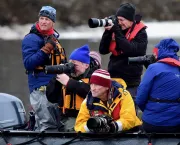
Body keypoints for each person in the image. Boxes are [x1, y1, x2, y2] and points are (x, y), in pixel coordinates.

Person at [21, 6, 67, 131]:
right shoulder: (31, 39)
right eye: (41, 18)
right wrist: (46, 49)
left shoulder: (53, 39)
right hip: (40, 88)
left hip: (55, 87)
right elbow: (28, 64)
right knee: (47, 124)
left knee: (57, 123)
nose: (43, 22)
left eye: (47, 19)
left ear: (53, 22)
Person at [46, 45, 102, 132]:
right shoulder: (66, 75)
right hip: (69, 117)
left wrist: (69, 83)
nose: (71, 67)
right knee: (70, 127)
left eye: (75, 65)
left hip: (90, 115)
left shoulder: (94, 76)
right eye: (70, 63)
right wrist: (57, 79)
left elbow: (93, 94)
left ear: (86, 65)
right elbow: (51, 97)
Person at [99, 2, 148, 98]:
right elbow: (103, 50)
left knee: (129, 110)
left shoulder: (141, 33)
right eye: (118, 20)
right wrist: (107, 32)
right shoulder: (117, 28)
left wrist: (116, 31)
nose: (120, 22)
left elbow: (130, 50)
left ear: (131, 20)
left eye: (122, 20)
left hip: (131, 82)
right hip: (113, 79)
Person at [75, 69, 142, 133]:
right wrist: (92, 126)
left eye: (97, 85)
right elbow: (78, 126)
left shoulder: (123, 95)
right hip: (104, 137)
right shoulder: (88, 102)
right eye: (91, 84)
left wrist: (112, 126)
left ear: (107, 87)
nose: (93, 88)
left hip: (130, 133)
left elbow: (129, 120)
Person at [135, 38, 180, 133]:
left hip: (152, 124)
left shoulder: (153, 68)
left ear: (161, 52)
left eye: (156, 52)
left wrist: (150, 112)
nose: (154, 55)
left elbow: (140, 99)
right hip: (176, 124)